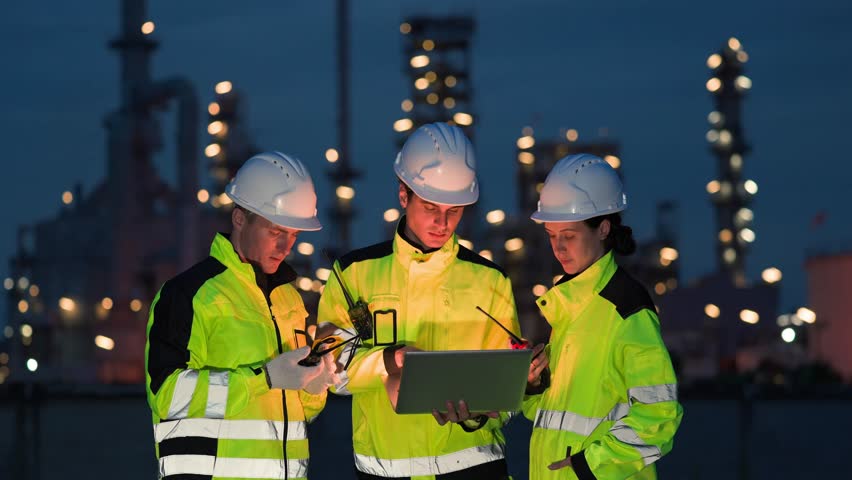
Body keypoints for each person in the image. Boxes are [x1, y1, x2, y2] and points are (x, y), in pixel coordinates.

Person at [317, 122, 520, 479]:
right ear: (403, 194)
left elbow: (506, 389)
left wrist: (477, 411)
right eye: (430, 206)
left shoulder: (490, 281)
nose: (442, 223)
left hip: (474, 468)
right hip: (385, 470)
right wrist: (391, 361)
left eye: (454, 211)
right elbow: (330, 366)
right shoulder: (354, 274)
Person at [145, 151, 338, 480]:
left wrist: (315, 387)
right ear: (239, 219)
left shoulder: (289, 300)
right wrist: (263, 379)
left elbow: (295, 413)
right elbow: (167, 395)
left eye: (294, 235)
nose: (286, 246)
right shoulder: (189, 295)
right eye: (276, 232)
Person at [523, 154, 683, 479]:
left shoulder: (626, 308)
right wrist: (534, 384)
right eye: (552, 236)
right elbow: (557, 416)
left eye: (568, 235)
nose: (558, 248)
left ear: (603, 229)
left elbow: (660, 417)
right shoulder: (570, 308)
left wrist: (590, 466)